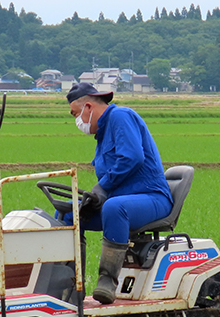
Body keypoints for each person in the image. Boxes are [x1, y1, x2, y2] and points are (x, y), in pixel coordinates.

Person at [65, 82, 173, 304]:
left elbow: (132, 157)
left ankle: (107, 280)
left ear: (88, 106)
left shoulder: (120, 117)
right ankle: (70, 285)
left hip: (152, 197)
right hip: (122, 201)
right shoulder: (103, 134)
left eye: (75, 114)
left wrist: (104, 188)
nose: (77, 121)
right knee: (70, 213)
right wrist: (96, 198)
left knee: (115, 208)